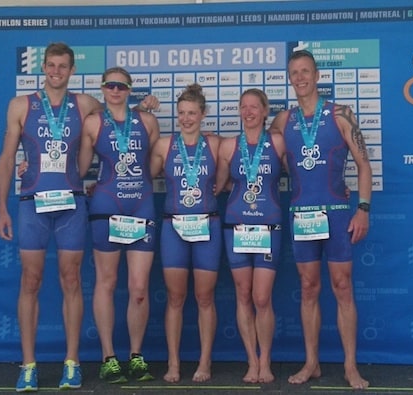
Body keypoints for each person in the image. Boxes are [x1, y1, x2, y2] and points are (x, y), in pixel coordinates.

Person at [269, 49, 372, 390]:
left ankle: (350, 366)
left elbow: (364, 166)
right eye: (293, 73)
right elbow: (260, 147)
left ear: (316, 76)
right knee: (308, 288)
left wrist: (363, 208)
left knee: (342, 288)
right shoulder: (284, 120)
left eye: (305, 71)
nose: (299, 78)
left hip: (338, 214)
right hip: (302, 214)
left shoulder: (340, 114)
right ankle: (311, 362)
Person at [0, 42, 95, 392]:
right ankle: (29, 365)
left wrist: (145, 106)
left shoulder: (84, 104)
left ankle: (72, 362)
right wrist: (2, 208)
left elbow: (118, 121)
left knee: (71, 280)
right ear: (43, 68)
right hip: (31, 203)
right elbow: (8, 158)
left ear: (72, 70)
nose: (56, 71)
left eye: (63, 66)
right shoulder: (22, 105)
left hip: (71, 205)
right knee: (31, 282)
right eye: (51, 65)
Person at [78, 66, 160, 384]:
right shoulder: (93, 123)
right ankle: (108, 357)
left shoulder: (148, 122)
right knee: (107, 283)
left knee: (139, 288)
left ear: (129, 90)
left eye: (121, 86)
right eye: (110, 85)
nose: (115, 90)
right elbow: (81, 167)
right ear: (103, 89)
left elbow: (155, 164)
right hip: (106, 207)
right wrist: (32, 167)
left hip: (140, 205)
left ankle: (136, 357)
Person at [149, 83, 221, 383]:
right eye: (181, 113)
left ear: (203, 114)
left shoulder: (217, 144)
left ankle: (205, 362)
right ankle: (174, 363)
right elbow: (136, 175)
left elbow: (255, 164)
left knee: (205, 297)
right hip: (173, 227)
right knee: (175, 298)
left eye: (192, 113)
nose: (187, 118)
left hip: (207, 225)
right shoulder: (164, 146)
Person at [215, 88, 287, 384]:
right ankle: (252, 361)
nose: (248, 112)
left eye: (254, 107)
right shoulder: (229, 146)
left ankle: (266, 360)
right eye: (244, 107)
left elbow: (303, 175)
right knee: (243, 295)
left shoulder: (278, 142)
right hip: (237, 228)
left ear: (265, 111)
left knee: (261, 297)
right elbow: (216, 186)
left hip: (268, 227)